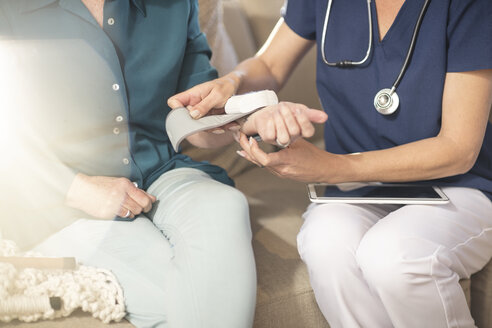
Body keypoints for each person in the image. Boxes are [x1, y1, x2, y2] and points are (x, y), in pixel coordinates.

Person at [0, 0, 326, 327]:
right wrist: (75, 189)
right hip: (57, 200)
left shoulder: (175, 6)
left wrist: (247, 117)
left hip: (161, 172)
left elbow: (195, 120)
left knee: (224, 203)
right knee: (185, 296)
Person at [168, 0, 492, 326]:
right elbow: (269, 65)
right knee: (326, 246)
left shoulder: (470, 6)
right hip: (355, 190)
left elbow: (458, 149)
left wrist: (333, 166)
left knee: (397, 257)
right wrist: (233, 83)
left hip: (459, 184)